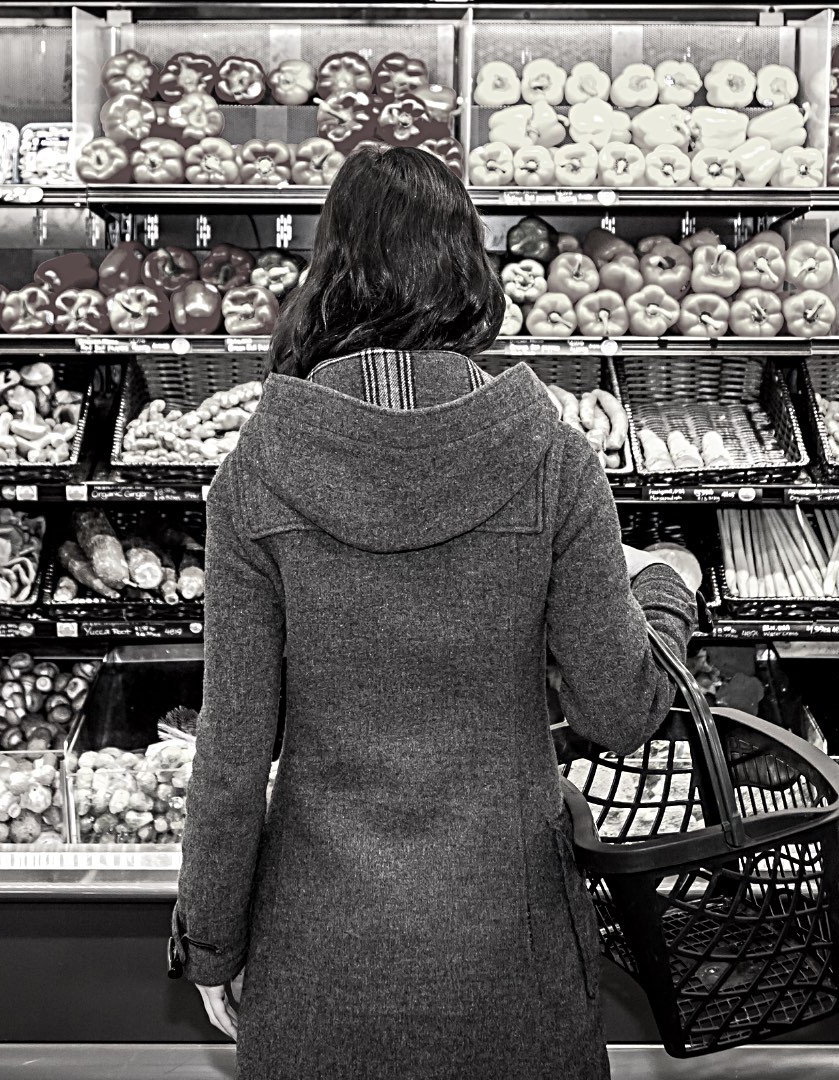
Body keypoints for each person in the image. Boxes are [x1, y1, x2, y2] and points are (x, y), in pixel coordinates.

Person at [171, 145, 700, 1080]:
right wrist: (664, 588)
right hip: (512, 944)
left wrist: (211, 941)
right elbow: (619, 710)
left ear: (326, 270)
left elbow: (233, 747)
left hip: (319, 951)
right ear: (469, 266)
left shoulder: (254, 470)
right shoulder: (551, 457)